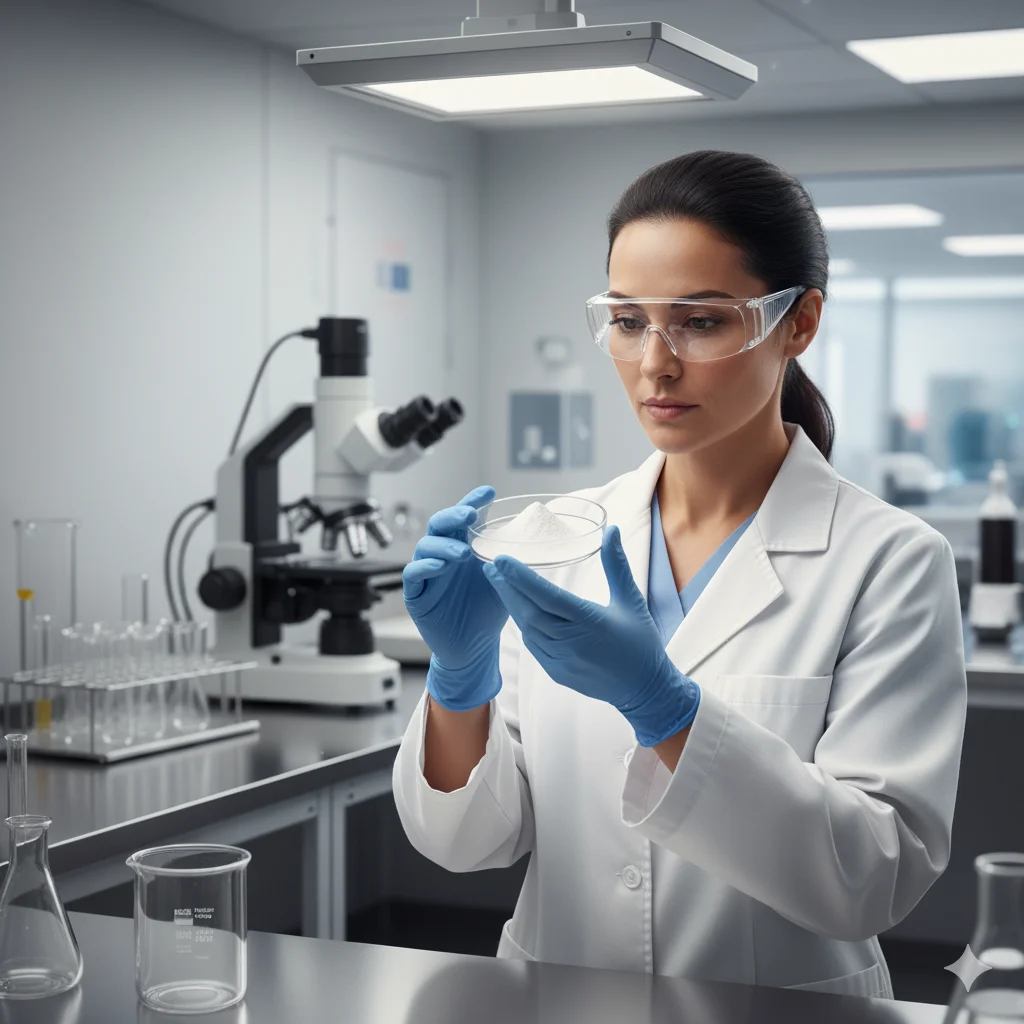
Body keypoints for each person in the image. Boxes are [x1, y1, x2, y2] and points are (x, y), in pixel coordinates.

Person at [393, 150, 967, 1000]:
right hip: (560, 1000)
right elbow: (467, 843)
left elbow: (871, 876)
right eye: (628, 321)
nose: (654, 364)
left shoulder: (890, 560)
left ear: (798, 323)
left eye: (700, 322)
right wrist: (458, 681)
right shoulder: (555, 541)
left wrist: (666, 712)